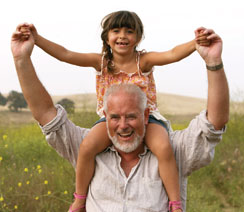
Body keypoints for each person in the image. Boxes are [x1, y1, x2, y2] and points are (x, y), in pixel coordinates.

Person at [11, 23, 229, 212]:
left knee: (163, 147)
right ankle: (79, 198)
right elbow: (65, 54)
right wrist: (33, 45)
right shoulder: (101, 62)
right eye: (116, 31)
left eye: (129, 31)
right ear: (106, 37)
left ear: (139, 37)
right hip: (108, 125)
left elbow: (173, 54)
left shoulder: (144, 61)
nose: (123, 36)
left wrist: (198, 45)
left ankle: (175, 204)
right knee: (87, 146)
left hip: (153, 120)